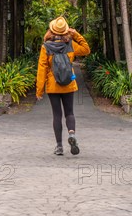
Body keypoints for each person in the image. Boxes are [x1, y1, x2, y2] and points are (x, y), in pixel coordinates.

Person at [36, 16, 91, 156]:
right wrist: (75, 34)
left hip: (53, 86)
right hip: (68, 84)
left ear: (51, 30)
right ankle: (71, 134)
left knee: (57, 114)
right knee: (70, 112)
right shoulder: (71, 45)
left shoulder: (46, 47)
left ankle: (59, 146)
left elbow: (42, 69)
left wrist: (39, 90)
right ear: (66, 30)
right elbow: (86, 49)